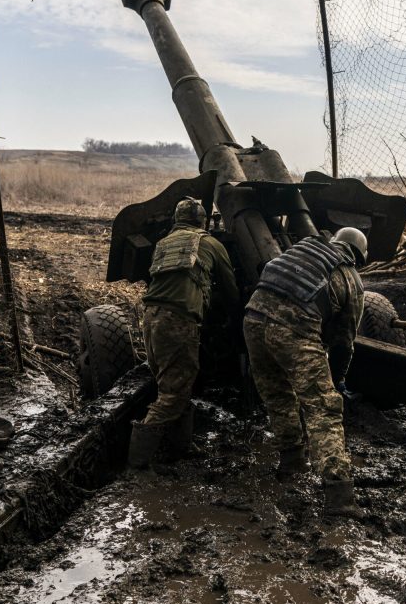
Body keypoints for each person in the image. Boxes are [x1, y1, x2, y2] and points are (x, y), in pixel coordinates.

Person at [243, 227, 368, 517]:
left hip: (252, 320)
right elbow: (343, 341)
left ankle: (292, 463)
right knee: (323, 408)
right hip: (293, 330)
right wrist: (336, 381)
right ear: (358, 256)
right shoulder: (350, 278)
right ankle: (339, 496)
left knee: (279, 396)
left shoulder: (304, 247)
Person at [129, 197, 240, 468]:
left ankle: (181, 447)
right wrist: (238, 321)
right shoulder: (211, 243)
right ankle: (138, 463)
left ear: (177, 220)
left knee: (173, 384)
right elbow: (230, 287)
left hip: (151, 318)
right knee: (173, 393)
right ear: (202, 221)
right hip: (178, 321)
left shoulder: (164, 244)